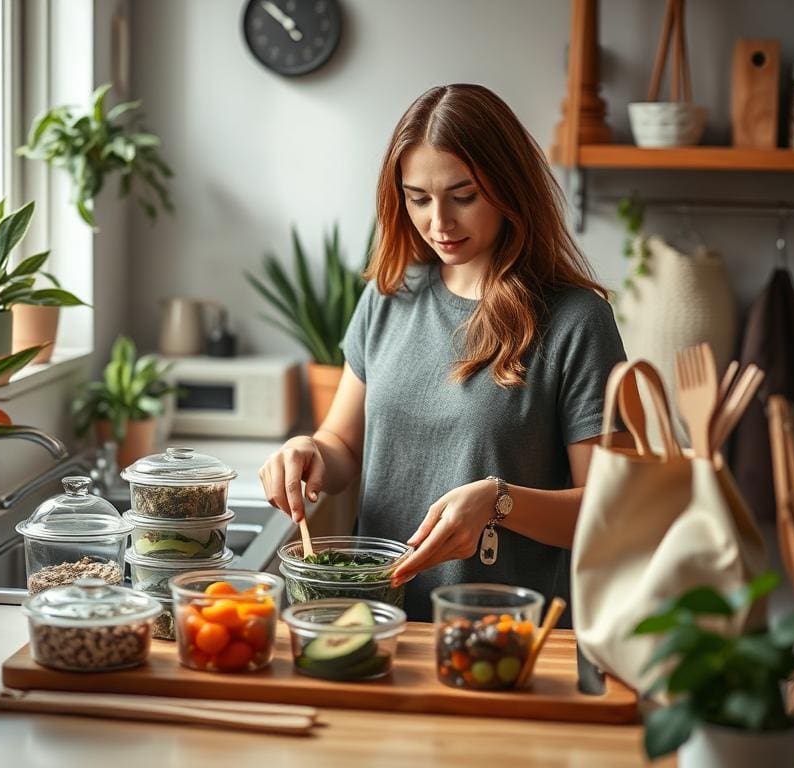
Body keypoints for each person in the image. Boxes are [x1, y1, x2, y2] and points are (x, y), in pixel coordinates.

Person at [258, 83, 627, 622]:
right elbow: (342, 445)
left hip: (506, 636)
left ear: (509, 188)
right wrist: (306, 451)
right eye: (418, 198)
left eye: (464, 195)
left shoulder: (576, 321)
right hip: (379, 627)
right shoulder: (387, 297)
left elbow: (608, 511)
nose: (439, 223)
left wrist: (498, 502)